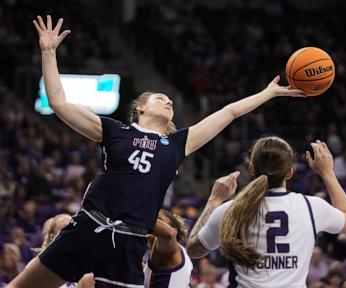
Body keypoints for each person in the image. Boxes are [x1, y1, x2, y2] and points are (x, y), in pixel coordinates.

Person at [9, 15, 302, 288]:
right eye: (161, 98)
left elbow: (230, 112)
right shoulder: (115, 131)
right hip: (88, 227)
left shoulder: (177, 145)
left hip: (128, 243)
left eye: (170, 101)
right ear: (140, 108)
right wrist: (48, 52)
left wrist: (268, 93)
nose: (168, 102)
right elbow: (59, 103)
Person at [187, 137, 346, 287]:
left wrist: (213, 201)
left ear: (251, 168)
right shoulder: (311, 206)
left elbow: (194, 250)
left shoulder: (230, 210)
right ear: (290, 172)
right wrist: (327, 173)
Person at [32, 214, 95, 288]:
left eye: (73, 228)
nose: (71, 233)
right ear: (52, 236)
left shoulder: (85, 263)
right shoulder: (38, 265)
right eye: (65, 229)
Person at [143, 209, 192, 287]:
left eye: (158, 219)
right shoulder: (176, 252)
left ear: (173, 229)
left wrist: (138, 213)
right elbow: (150, 278)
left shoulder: (170, 249)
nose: (155, 223)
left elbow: (169, 234)